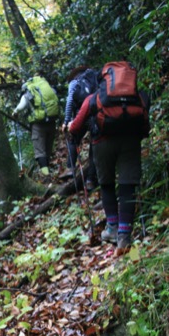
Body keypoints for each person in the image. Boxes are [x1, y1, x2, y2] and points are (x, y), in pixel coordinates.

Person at [68, 61, 150, 253]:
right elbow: (145, 122)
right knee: (127, 185)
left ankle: (112, 227)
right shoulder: (138, 96)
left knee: (106, 184)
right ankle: (124, 234)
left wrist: (69, 127)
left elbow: (76, 126)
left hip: (102, 144)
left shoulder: (94, 98)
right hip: (130, 142)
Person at [12, 75, 59, 177]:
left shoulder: (28, 93)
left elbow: (21, 107)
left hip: (39, 125)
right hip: (51, 121)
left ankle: (47, 176)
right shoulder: (47, 89)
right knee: (48, 148)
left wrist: (15, 112)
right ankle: (49, 171)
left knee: (40, 151)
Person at [61, 66, 99, 187]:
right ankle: (90, 180)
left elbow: (70, 101)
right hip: (96, 116)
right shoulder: (96, 78)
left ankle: (71, 168)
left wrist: (66, 121)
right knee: (94, 146)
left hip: (82, 116)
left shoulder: (75, 82)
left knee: (73, 139)